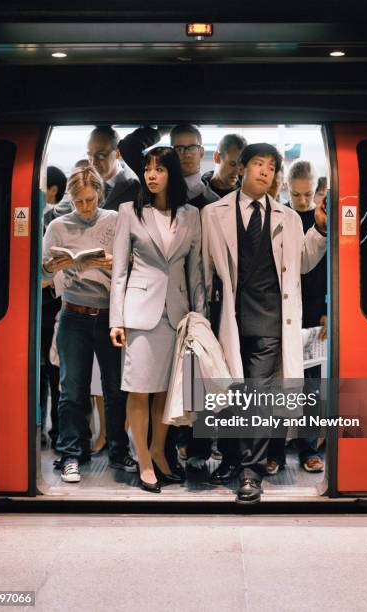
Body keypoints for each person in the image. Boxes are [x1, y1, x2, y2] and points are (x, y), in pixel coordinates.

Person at [201, 144, 327, 504]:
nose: (265, 172)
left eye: (271, 167)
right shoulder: (213, 213)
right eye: (259, 164)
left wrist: (318, 228)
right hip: (227, 318)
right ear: (242, 168)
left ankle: (251, 473)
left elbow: (302, 262)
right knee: (228, 395)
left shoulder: (286, 217)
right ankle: (229, 460)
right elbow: (203, 272)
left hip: (271, 320)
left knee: (257, 397)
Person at [110, 146, 205, 493]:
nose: (151, 175)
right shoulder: (129, 211)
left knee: (166, 389)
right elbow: (120, 271)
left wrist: (200, 318)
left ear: (171, 174)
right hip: (139, 311)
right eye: (147, 169)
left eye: (159, 169)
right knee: (138, 389)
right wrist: (116, 320)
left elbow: (196, 273)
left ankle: (157, 451)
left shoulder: (191, 214)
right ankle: (144, 462)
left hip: (177, 313)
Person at [42, 166, 136, 483]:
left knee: (115, 388)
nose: (85, 207)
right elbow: (41, 277)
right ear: (70, 197)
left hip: (110, 313)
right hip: (72, 312)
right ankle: (72, 454)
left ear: (100, 194)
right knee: (71, 390)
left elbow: (134, 266)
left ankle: (119, 452)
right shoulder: (57, 226)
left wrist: (112, 261)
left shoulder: (115, 220)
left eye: (91, 199)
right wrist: (50, 267)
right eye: (79, 200)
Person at [267, 161, 327, 475]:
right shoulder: (281, 218)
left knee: (312, 389)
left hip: (314, 316)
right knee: (282, 385)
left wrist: (328, 311)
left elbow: (330, 273)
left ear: (317, 190)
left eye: (308, 194)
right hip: (285, 313)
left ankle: (308, 450)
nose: (303, 201)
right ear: (288, 187)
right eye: (298, 194)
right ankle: (275, 451)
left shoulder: (322, 219)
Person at [40, 166, 67, 448]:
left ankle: (57, 431)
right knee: (46, 373)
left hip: (53, 310)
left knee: (55, 374)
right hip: (42, 311)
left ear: (52, 191)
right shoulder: (43, 220)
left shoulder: (55, 222)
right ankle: (42, 426)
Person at [170, 124, 218, 209]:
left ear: (201, 152)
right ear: (171, 153)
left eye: (192, 148)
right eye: (179, 149)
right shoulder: (160, 191)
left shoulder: (215, 203)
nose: (187, 154)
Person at [202, 133, 247, 198]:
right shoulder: (196, 192)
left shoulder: (247, 197)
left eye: (241, 166)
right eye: (232, 164)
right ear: (217, 157)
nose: (237, 172)